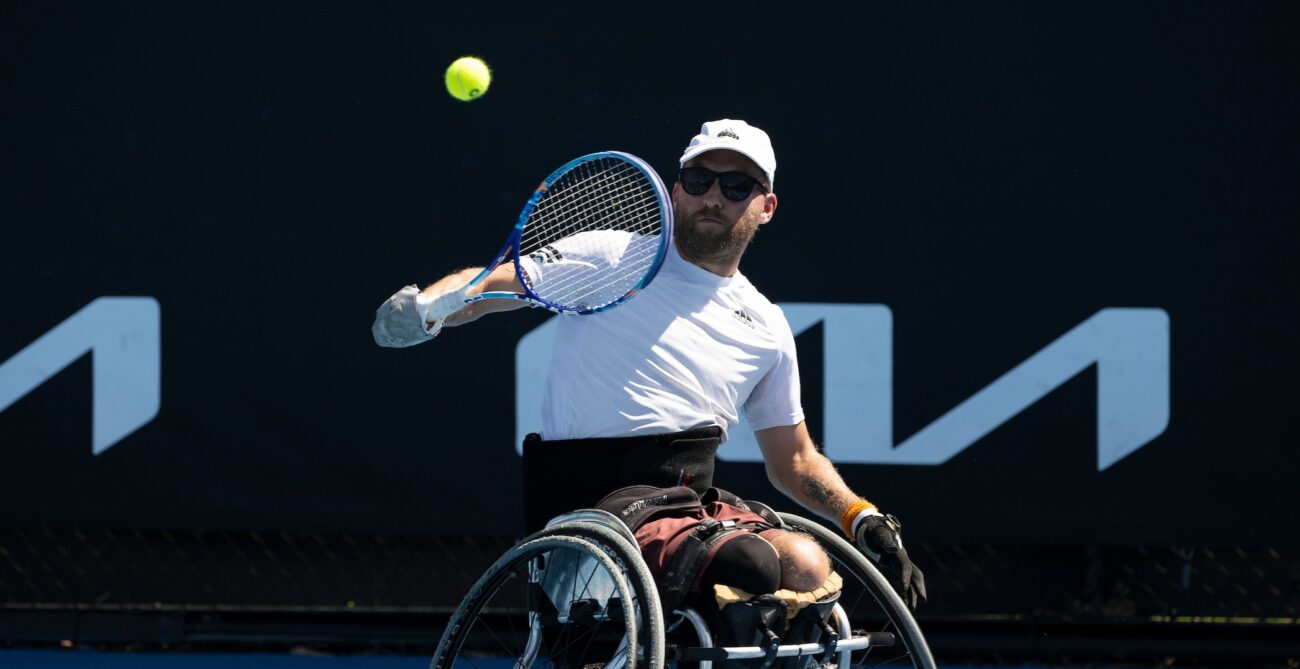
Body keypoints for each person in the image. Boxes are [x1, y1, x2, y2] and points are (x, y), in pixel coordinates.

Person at [374, 120, 926, 610]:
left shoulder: (767, 327)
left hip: (688, 506)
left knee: (807, 564)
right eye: (699, 180)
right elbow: (490, 287)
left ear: (765, 207)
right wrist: (428, 309)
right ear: (675, 188)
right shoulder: (610, 257)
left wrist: (861, 517)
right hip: (591, 507)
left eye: (736, 187)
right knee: (755, 566)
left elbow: (796, 460)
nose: (713, 196)